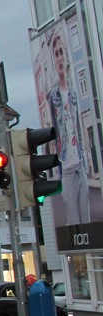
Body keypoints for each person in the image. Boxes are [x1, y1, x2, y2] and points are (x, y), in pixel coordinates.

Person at [47, 29, 91, 225]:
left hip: (79, 163)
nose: (60, 58)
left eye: (62, 52)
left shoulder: (73, 94)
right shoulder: (53, 95)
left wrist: (85, 158)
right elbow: (56, 130)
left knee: (88, 220)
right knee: (74, 221)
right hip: (66, 166)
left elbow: (79, 128)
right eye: (56, 54)